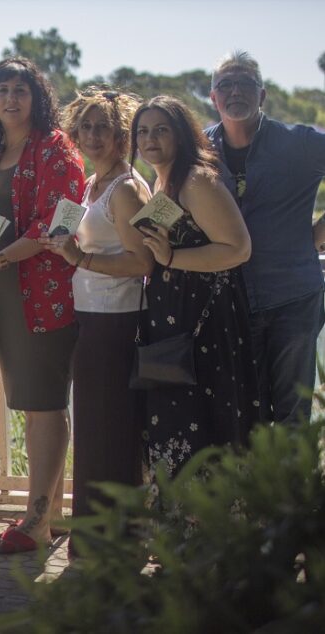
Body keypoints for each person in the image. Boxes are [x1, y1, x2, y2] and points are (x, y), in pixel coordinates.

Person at [0, 58, 85, 554]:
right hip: (1, 291)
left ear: (37, 98)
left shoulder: (57, 149)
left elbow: (57, 222)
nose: (10, 99)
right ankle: (50, 515)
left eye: (20, 90)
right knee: (34, 403)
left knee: (43, 403)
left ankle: (36, 521)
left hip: (42, 293)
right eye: (2, 91)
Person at [41, 88, 153, 550]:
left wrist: (79, 261)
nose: (91, 135)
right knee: (95, 428)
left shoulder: (126, 188)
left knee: (111, 431)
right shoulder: (92, 184)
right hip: (90, 318)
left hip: (117, 322)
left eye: (102, 127)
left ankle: (115, 539)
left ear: (121, 134)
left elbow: (143, 262)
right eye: (85, 126)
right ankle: (97, 536)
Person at [131, 96, 259, 476]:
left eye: (160, 130)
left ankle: (212, 526)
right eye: (142, 131)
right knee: (175, 419)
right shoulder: (162, 180)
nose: (150, 139)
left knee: (207, 423)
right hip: (174, 325)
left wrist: (172, 259)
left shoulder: (197, 180)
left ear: (182, 134)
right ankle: (180, 524)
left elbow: (239, 249)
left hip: (208, 327)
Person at [205, 51, 325, 425]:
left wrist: (316, 237)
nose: (235, 91)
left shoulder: (299, 144)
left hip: (293, 297)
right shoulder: (199, 151)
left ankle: (289, 487)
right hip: (228, 301)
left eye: (245, 83)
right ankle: (250, 487)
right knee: (241, 414)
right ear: (213, 97)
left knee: (292, 415)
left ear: (263, 96)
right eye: (226, 83)